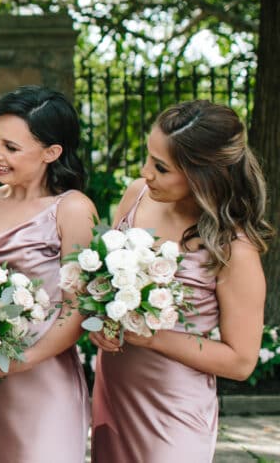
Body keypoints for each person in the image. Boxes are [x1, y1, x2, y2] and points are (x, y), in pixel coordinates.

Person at [90, 100, 272, 460]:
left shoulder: (233, 249)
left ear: (201, 175)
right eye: (147, 158)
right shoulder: (136, 196)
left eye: (160, 167)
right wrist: (101, 320)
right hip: (113, 391)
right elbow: (106, 285)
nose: (145, 173)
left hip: (173, 409)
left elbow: (240, 361)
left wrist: (152, 338)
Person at [0, 85, 96, 462]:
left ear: (52, 152)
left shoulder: (72, 210)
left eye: (11, 148)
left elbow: (76, 309)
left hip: (43, 382)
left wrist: (21, 361)